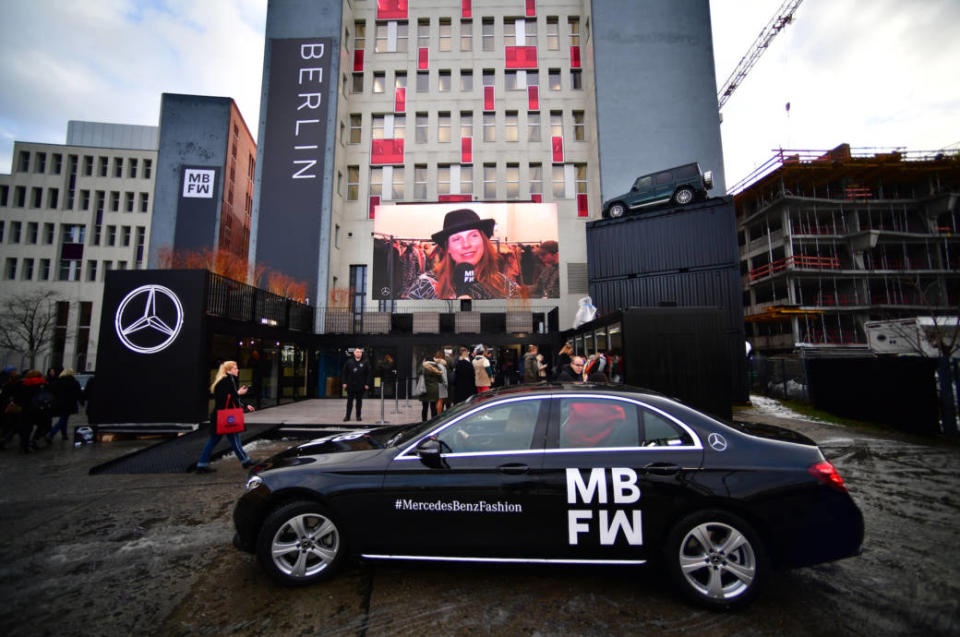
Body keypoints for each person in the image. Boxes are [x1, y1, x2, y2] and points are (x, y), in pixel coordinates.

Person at [405, 208, 521, 300]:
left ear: (483, 242)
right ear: (448, 248)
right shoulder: (425, 284)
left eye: (473, 236)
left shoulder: (505, 286)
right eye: (457, 239)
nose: (466, 245)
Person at [195, 361, 255, 473]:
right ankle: (246, 461)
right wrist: (238, 393)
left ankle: (201, 465)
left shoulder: (227, 380)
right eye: (235, 368)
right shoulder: (225, 381)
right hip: (226, 417)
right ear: (228, 370)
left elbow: (231, 398)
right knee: (234, 440)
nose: (238, 370)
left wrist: (245, 405)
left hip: (220, 416)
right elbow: (225, 399)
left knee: (215, 440)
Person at [12, 370, 52, 452]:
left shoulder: (23, 384)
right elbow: (48, 395)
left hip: (26, 409)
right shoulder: (43, 383)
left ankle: (24, 446)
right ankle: (35, 439)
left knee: (26, 428)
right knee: (43, 425)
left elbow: (17, 398)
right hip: (40, 409)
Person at [47, 368, 84, 442]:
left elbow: (51, 391)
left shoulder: (58, 381)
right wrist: (81, 401)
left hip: (58, 403)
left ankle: (64, 434)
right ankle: (51, 434)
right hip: (69, 403)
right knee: (63, 419)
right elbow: (78, 393)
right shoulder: (74, 382)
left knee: (64, 418)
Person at [341, 347, 371, 422]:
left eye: (360, 352)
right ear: (354, 353)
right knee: (349, 402)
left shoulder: (365, 362)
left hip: (360, 385)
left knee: (359, 402)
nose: (358, 353)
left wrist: (367, 384)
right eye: (357, 352)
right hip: (350, 385)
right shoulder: (349, 362)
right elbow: (344, 373)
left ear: (361, 353)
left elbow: (368, 374)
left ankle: (358, 416)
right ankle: (347, 416)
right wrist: (344, 382)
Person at [419, 353, 445, 421]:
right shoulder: (436, 367)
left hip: (424, 389)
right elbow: (440, 380)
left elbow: (419, 373)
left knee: (424, 408)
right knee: (433, 407)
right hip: (434, 390)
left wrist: (422, 363)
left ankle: (424, 422)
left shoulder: (423, 367)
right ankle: (433, 422)